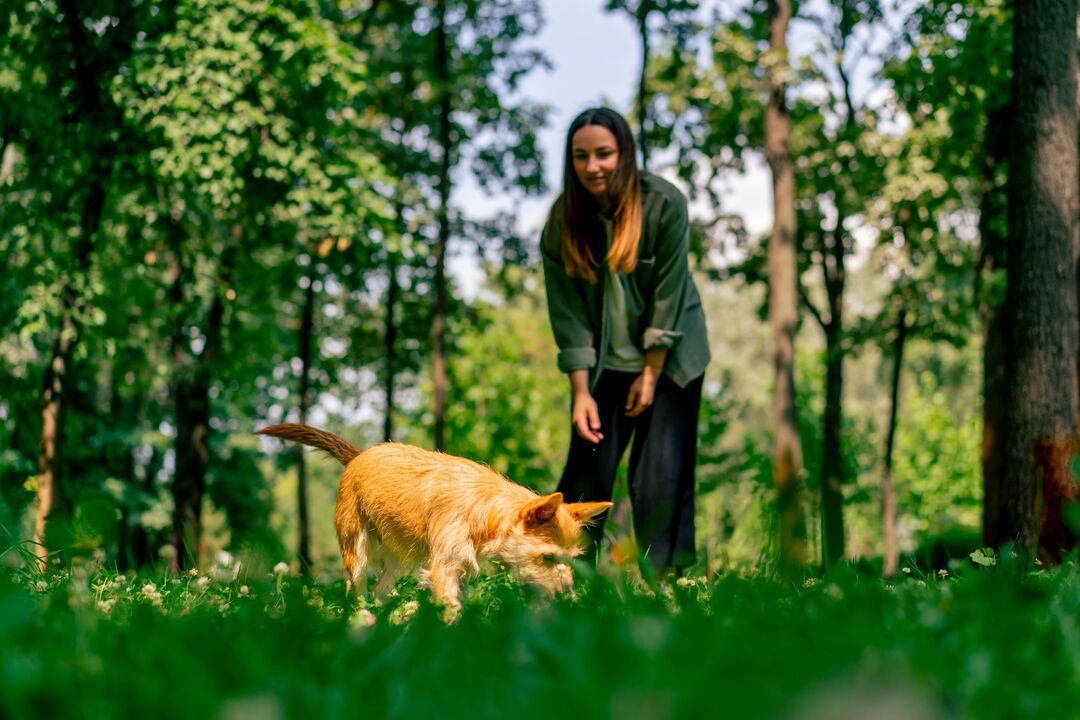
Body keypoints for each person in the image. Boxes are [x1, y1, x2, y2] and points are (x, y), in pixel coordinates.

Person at [540, 107, 710, 576]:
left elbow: (669, 293)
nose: (592, 166)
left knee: (659, 477)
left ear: (625, 154)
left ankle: (670, 581)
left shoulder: (663, 203)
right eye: (581, 156)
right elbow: (568, 314)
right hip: (603, 368)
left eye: (604, 154)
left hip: (672, 359)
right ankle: (566, 574)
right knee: (586, 473)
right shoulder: (563, 221)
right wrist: (579, 393)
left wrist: (651, 373)